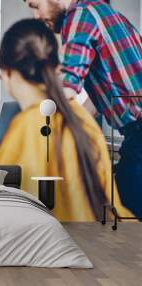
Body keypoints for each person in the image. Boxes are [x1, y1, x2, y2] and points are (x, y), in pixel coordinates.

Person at [0, 19, 133, 221]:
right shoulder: (81, 117)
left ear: (5, 73)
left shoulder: (26, 128)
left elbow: (11, 217)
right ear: (56, 67)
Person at [22, 0, 142, 217]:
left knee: (127, 215)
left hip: (139, 133)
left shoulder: (79, 14)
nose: (36, 16)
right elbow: (101, 98)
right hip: (136, 132)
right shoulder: (108, 14)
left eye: (36, 4)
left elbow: (67, 86)